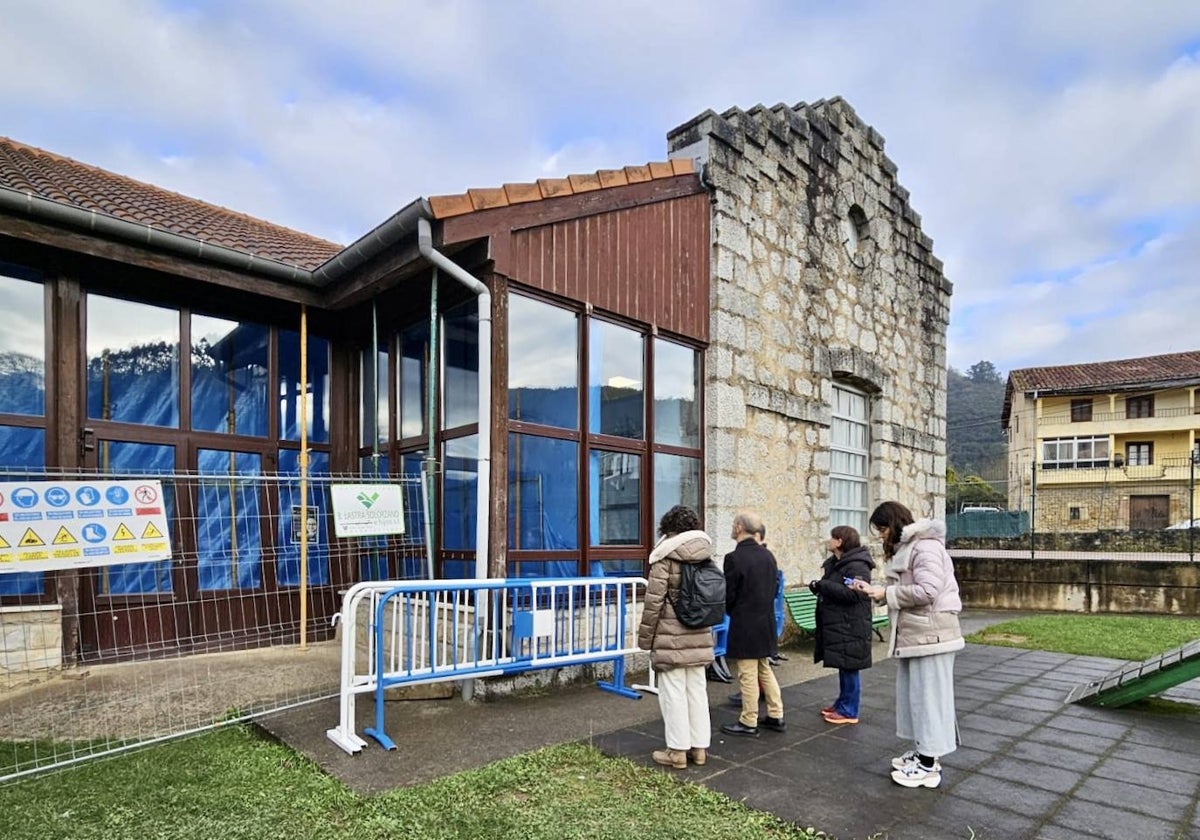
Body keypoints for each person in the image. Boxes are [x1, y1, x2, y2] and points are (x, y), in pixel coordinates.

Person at [851, 501, 963, 789]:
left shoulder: (925, 548)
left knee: (929, 700)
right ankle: (924, 753)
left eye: (883, 528)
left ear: (896, 524)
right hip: (919, 633)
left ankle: (928, 765)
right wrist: (880, 592)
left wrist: (885, 592)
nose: (880, 535)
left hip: (932, 634)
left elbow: (927, 591)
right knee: (918, 698)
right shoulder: (913, 548)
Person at [636, 505, 715, 769]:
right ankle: (700, 749)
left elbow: (653, 603)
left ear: (667, 528)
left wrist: (645, 640)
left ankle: (677, 752)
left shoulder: (664, 559)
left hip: (671, 638)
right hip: (700, 635)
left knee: (673, 695)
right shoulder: (706, 556)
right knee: (697, 692)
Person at [720, 510, 785, 736]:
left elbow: (730, 595)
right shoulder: (768, 556)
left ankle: (749, 720)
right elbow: (775, 589)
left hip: (745, 622)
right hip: (765, 621)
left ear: (739, 528)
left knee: (747, 673)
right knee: (764, 669)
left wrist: (733, 610)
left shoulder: (734, 558)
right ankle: (776, 714)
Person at [809, 525, 876, 725]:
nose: (828, 541)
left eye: (831, 538)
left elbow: (854, 594)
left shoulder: (857, 566)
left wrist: (824, 586)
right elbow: (833, 587)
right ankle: (842, 703)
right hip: (840, 623)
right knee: (843, 665)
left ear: (839, 541)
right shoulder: (835, 563)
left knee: (850, 667)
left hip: (851, 624)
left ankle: (849, 710)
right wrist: (819, 587)